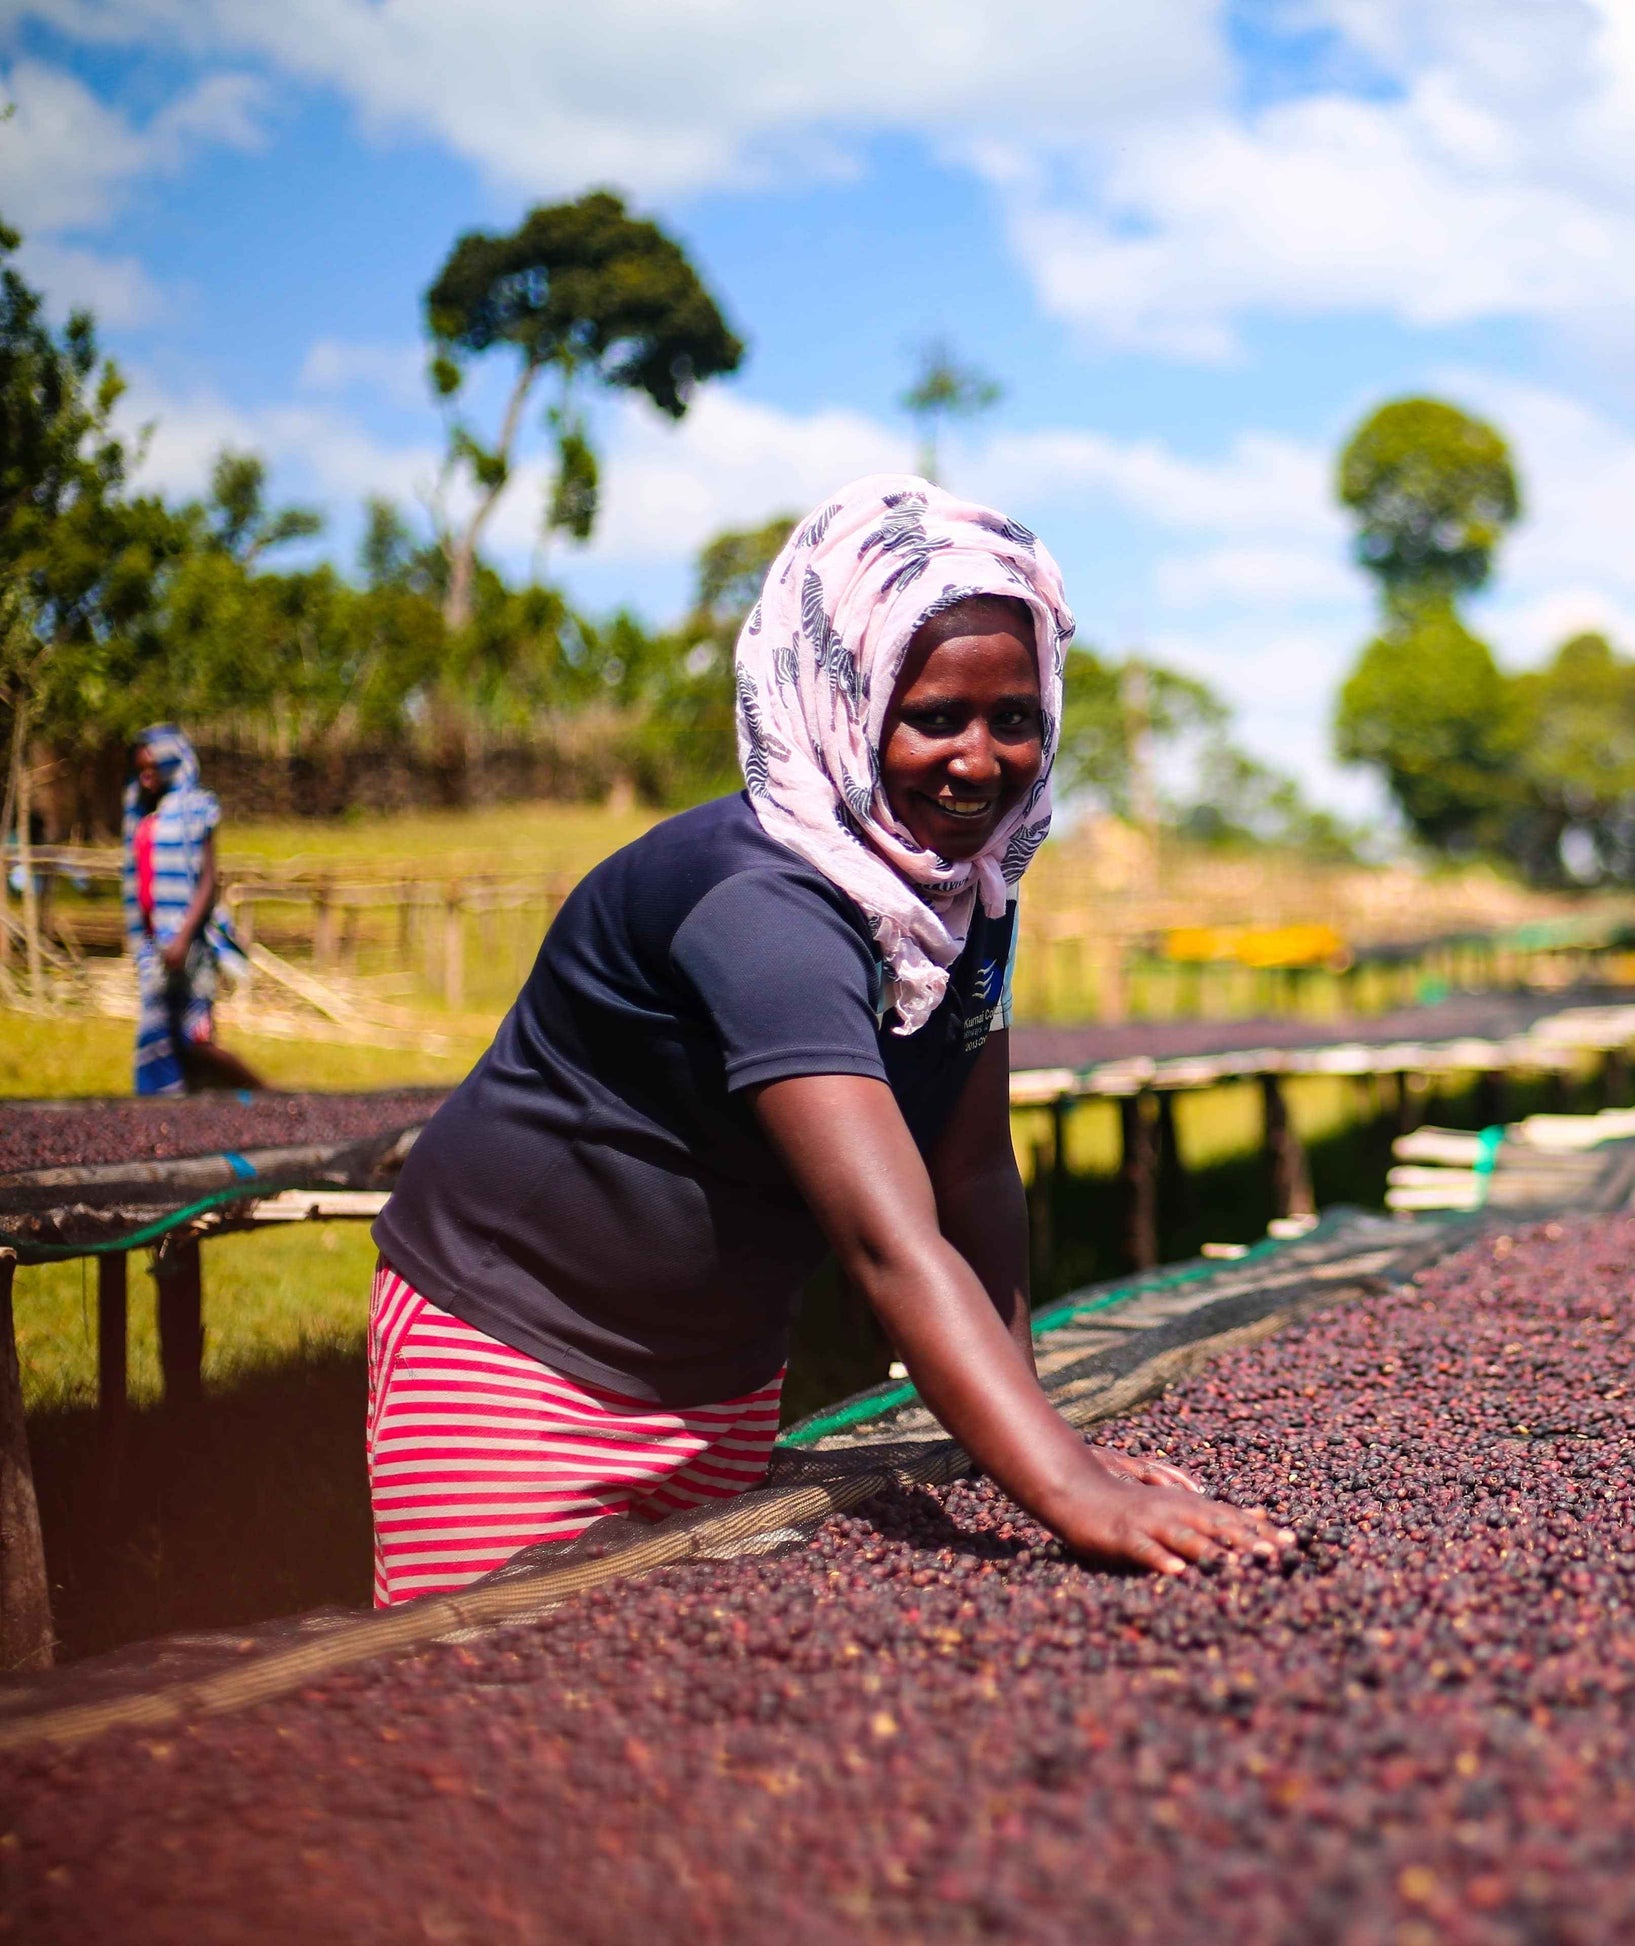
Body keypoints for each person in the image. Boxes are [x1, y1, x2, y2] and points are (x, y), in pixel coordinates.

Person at [367, 475, 1285, 1608]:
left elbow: (974, 1179)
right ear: (841, 699)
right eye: (933, 716)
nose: (978, 760)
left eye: (1014, 719)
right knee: (478, 1699)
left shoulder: (960, 901)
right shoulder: (764, 906)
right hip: (519, 1361)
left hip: (725, 1372)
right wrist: (1067, 1490)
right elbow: (890, 1239)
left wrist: (1047, 1445)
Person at [122, 725, 263, 1095]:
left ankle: (264, 1097)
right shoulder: (139, 814)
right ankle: (162, 1122)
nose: (145, 776)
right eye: (140, 770)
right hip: (155, 949)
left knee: (195, 1040)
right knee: (157, 1039)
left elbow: (208, 880)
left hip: (190, 946)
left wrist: (183, 937)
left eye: (152, 767)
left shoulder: (198, 808)